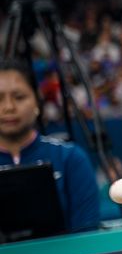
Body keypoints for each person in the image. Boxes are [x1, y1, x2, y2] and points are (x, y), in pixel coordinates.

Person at [0, 58, 102, 232]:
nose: (9, 107)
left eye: (19, 97)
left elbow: (87, 237)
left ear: (37, 101)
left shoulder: (70, 158)